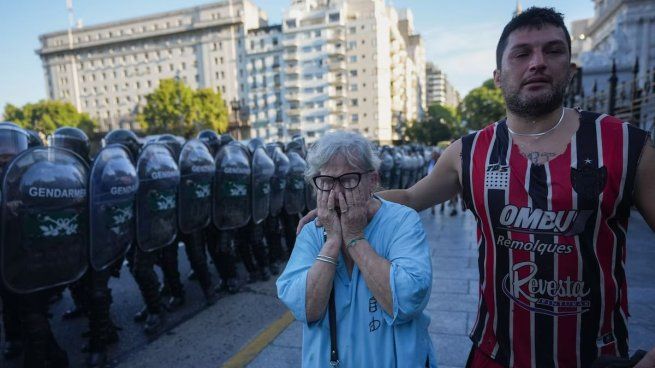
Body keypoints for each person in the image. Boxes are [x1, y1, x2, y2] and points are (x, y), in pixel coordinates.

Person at [297, 7, 655, 368]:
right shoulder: (469, 152)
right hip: (496, 352)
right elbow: (409, 198)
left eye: (553, 50)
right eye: (522, 53)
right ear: (498, 76)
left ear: (570, 67)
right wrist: (341, 203)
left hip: (596, 355)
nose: (537, 63)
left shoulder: (624, 145)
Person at [277, 131, 436, 367]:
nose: (337, 193)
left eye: (348, 180)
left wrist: (354, 237)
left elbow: (407, 299)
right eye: (327, 182)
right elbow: (305, 308)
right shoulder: (312, 231)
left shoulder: (402, 221)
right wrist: (331, 243)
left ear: (372, 180)